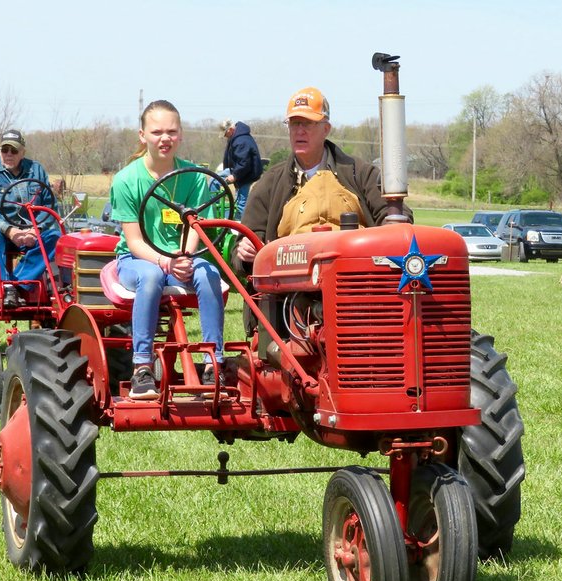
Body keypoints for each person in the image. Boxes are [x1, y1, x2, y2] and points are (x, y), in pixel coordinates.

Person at [234, 86, 413, 334]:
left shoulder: (359, 173)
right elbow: (243, 244)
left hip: (360, 285)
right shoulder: (269, 184)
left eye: (308, 123)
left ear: (326, 128)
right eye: (294, 124)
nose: (300, 131)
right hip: (291, 293)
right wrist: (246, 252)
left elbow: (396, 217)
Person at [110, 100, 226, 400]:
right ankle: (142, 367)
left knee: (209, 273)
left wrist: (185, 257)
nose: (165, 138)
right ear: (142, 135)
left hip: (179, 258)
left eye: (172, 132)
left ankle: (214, 363)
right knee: (151, 277)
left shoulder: (195, 176)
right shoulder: (126, 180)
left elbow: (193, 226)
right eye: (157, 132)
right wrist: (166, 261)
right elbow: (134, 241)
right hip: (138, 259)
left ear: (181, 135)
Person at [0, 129, 60, 309]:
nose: (9, 154)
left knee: (56, 237)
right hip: (0, 232)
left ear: (22, 152)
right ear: (0, 151)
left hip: (31, 232)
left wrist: (36, 229)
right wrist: (10, 230)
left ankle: (19, 283)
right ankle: (6, 284)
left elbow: (49, 205)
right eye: (5, 150)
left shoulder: (36, 170)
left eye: (14, 150)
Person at [219, 118, 263, 219]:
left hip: (246, 173)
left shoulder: (241, 141)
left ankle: (245, 227)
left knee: (241, 203)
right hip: (240, 171)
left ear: (230, 130)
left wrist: (234, 176)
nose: (225, 137)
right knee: (215, 180)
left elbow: (244, 163)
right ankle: (238, 221)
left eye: (225, 134)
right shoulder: (236, 137)